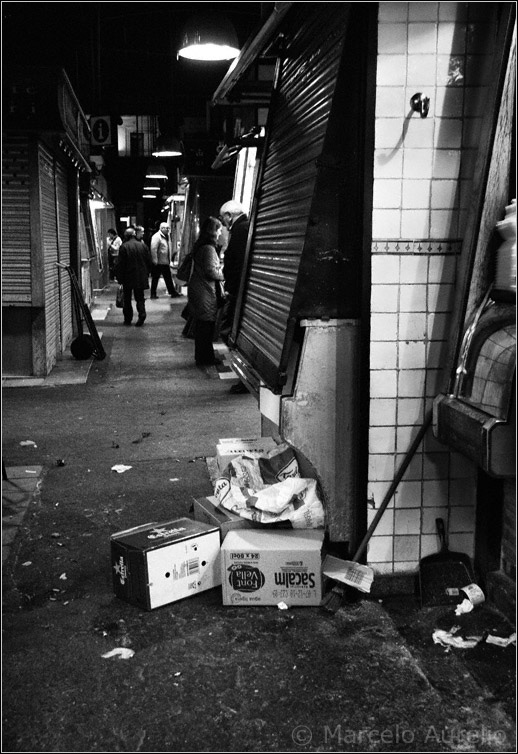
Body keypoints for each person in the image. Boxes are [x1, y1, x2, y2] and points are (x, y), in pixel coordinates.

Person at [219, 200, 250, 393]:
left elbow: (236, 261)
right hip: (241, 289)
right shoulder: (245, 227)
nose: (222, 222)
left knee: (231, 330)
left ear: (229, 215)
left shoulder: (240, 230)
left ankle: (244, 379)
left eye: (223, 217)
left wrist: (230, 287)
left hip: (239, 291)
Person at [187, 216, 225, 367]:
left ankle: (202, 357)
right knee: (206, 326)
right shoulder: (209, 248)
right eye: (219, 230)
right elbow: (210, 271)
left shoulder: (201, 246)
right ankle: (205, 358)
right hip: (205, 292)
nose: (221, 233)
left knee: (203, 325)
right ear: (213, 231)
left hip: (199, 289)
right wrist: (223, 275)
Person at [114, 227, 150, 327]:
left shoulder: (124, 247)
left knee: (127, 299)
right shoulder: (143, 246)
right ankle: (142, 315)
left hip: (128, 277)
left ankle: (128, 319)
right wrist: (146, 273)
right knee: (140, 298)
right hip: (140, 276)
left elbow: (121, 264)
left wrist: (119, 278)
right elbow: (148, 261)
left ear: (126, 236)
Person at [150, 222, 180, 298]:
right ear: (161, 228)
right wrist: (155, 260)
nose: (167, 230)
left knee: (167, 277)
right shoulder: (157, 237)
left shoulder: (166, 236)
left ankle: (172, 292)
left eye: (168, 228)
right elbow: (153, 249)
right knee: (156, 278)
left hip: (165, 261)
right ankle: (153, 293)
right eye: (166, 228)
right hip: (159, 262)